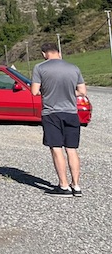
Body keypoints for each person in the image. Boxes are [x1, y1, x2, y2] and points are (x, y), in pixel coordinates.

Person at [30, 43, 87, 197]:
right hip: (71, 113)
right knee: (71, 149)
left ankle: (63, 185)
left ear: (44, 54)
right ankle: (76, 186)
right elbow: (82, 91)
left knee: (56, 148)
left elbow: (34, 91)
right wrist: (69, 92)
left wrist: (47, 91)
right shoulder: (73, 68)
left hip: (51, 113)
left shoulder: (39, 68)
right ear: (59, 52)